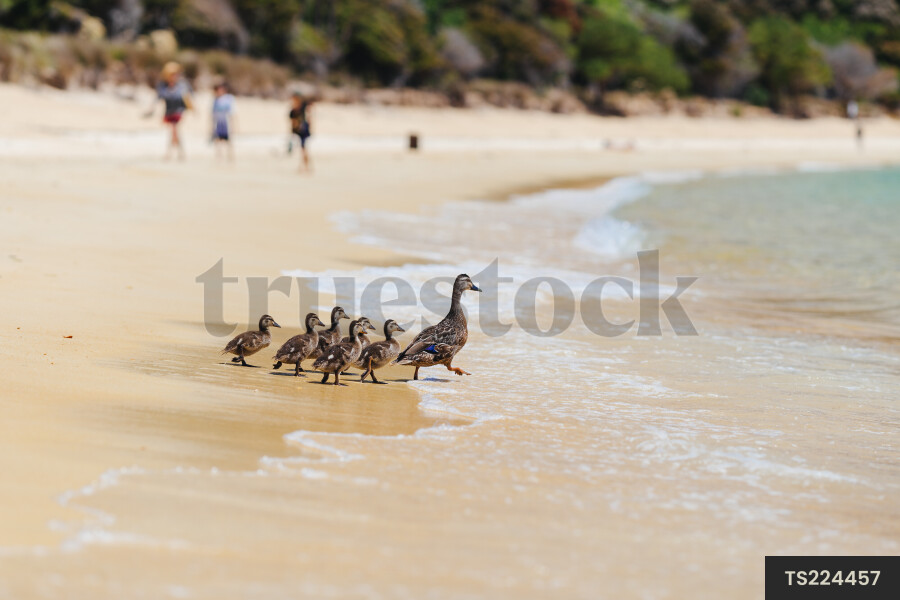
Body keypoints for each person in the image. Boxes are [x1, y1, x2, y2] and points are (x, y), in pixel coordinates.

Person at [145, 61, 193, 160]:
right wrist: (151, 108)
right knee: (174, 131)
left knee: (174, 129)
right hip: (168, 111)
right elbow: (158, 97)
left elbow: (188, 97)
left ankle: (171, 153)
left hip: (178, 111)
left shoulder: (182, 85)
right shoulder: (163, 86)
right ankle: (179, 152)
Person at [288, 92, 314, 173]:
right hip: (298, 131)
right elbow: (292, 123)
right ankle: (304, 167)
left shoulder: (303, 106)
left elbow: (311, 107)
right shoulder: (292, 111)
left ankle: (305, 167)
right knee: (302, 149)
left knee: (303, 149)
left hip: (304, 130)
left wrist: (309, 123)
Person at [211, 82, 236, 161]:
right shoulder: (215, 100)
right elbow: (213, 113)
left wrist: (234, 125)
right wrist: (211, 126)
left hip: (226, 122)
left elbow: (232, 112)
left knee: (228, 140)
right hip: (218, 122)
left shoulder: (229, 99)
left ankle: (230, 156)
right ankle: (219, 156)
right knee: (218, 140)